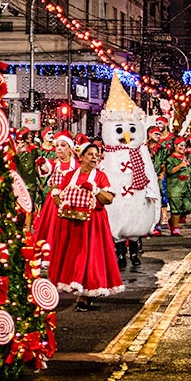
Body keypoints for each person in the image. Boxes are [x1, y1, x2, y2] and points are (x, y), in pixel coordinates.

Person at [48, 142, 124, 312]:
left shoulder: (100, 176)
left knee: (91, 255)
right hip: (72, 222)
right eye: (90, 154)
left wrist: (96, 190)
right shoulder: (69, 176)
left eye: (96, 155)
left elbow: (109, 200)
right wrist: (63, 204)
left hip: (93, 223)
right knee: (74, 256)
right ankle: (75, 284)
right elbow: (57, 194)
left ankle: (87, 293)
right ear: (80, 157)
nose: (94, 158)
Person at [32, 132, 78, 255]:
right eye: (57, 145)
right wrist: (41, 165)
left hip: (70, 202)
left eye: (63, 145)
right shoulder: (54, 163)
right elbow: (45, 170)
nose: (58, 148)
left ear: (70, 149)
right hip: (53, 203)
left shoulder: (77, 166)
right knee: (51, 228)